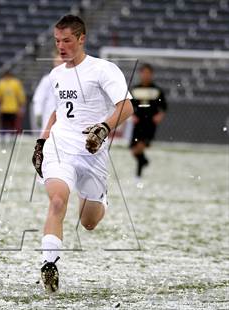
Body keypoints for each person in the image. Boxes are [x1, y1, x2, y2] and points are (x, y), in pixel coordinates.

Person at [31, 15, 133, 292]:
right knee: (57, 202)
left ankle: (100, 200)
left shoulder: (103, 69)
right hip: (60, 146)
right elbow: (58, 112)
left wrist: (103, 128)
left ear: (81, 39)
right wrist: (42, 141)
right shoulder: (56, 74)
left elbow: (126, 107)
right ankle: (49, 264)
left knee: (88, 222)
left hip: (92, 151)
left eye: (66, 40)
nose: (61, 46)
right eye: (56, 41)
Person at [130, 63, 167, 178]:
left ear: (151, 75)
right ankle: (144, 161)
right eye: (144, 73)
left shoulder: (156, 90)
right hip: (138, 122)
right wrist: (132, 115)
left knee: (140, 146)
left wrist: (159, 116)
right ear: (140, 74)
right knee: (134, 150)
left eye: (148, 73)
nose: (146, 75)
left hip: (149, 123)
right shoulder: (135, 90)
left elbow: (164, 106)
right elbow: (129, 105)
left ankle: (138, 175)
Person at [32, 52, 63, 133]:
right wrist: (38, 113)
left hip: (65, 117)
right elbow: (38, 98)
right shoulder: (47, 79)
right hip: (49, 115)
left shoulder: (72, 78)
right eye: (57, 62)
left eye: (61, 62)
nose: (59, 64)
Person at [0, 70, 26, 144]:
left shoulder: (16, 83)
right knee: (3, 125)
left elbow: (20, 95)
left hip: (13, 109)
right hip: (4, 109)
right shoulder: (1, 83)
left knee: (12, 125)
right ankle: (3, 138)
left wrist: (22, 106)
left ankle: (11, 139)